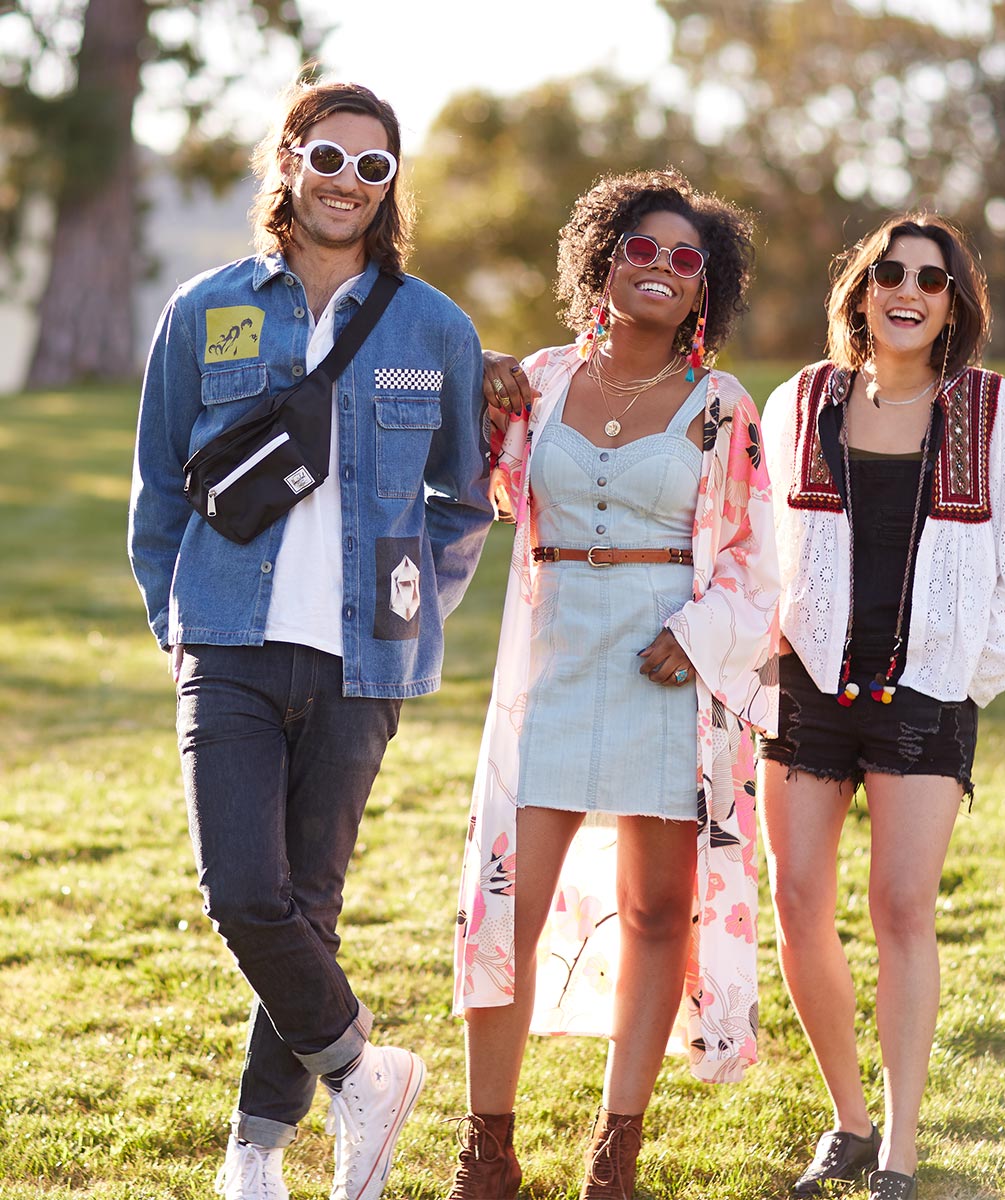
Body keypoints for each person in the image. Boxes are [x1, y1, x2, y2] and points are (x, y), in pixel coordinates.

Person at [128, 80, 492, 1200]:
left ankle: (258, 1152)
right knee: (243, 891)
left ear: (391, 186)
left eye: (373, 167)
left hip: (360, 663)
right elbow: (158, 489)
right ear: (288, 161)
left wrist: (408, 605)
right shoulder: (205, 308)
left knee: (309, 903)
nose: (347, 182)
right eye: (328, 157)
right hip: (228, 643)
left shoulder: (434, 326)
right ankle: (365, 1074)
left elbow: (462, 499)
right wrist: (177, 627)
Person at [448, 169, 779, 1200]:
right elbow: (470, 474)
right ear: (602, 258)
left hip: (666, 669)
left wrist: (699, 631)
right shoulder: (539, 383)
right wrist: (478, 380)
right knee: (506, 905)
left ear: (705, 293)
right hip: (552, 663)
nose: (663, 269)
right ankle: (487, 1148)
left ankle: (614, 1153)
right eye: (642, 247)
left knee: (655, 912)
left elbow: (756, 560)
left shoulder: (722, 406)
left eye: (688, 261)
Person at [759, 213, 1005, 1200]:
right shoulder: (799, 400)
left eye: (933, 278)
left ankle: (901, 1146)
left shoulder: (1000, 414)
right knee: (798, 905)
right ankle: (848, 1120)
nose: (910, 289)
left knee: (901, 909)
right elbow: (761, 554)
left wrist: (960, 681)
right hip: (806, 691)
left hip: (925, 698)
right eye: (891, 271)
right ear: (861, 288)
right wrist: (765, 661)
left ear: (955, 304)